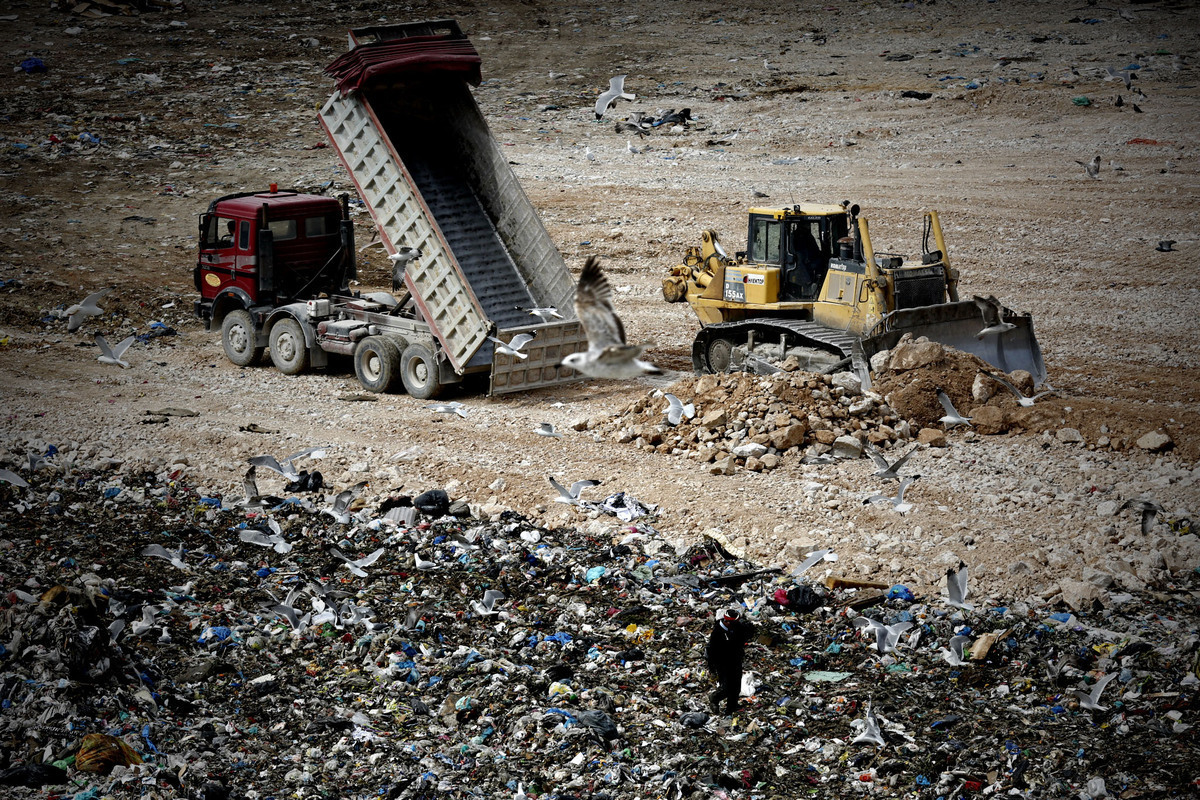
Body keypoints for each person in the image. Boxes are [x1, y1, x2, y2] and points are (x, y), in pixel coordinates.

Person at [706, 606, 755, 714]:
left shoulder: (736, 627)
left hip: (736, 660)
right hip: (722, 664)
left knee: (736, 686)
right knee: (727, 687)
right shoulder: (717, 633)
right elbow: (711, 652)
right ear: (727, 622)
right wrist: (712, 669)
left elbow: (746, 633)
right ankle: (714, 698)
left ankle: (731, 708)